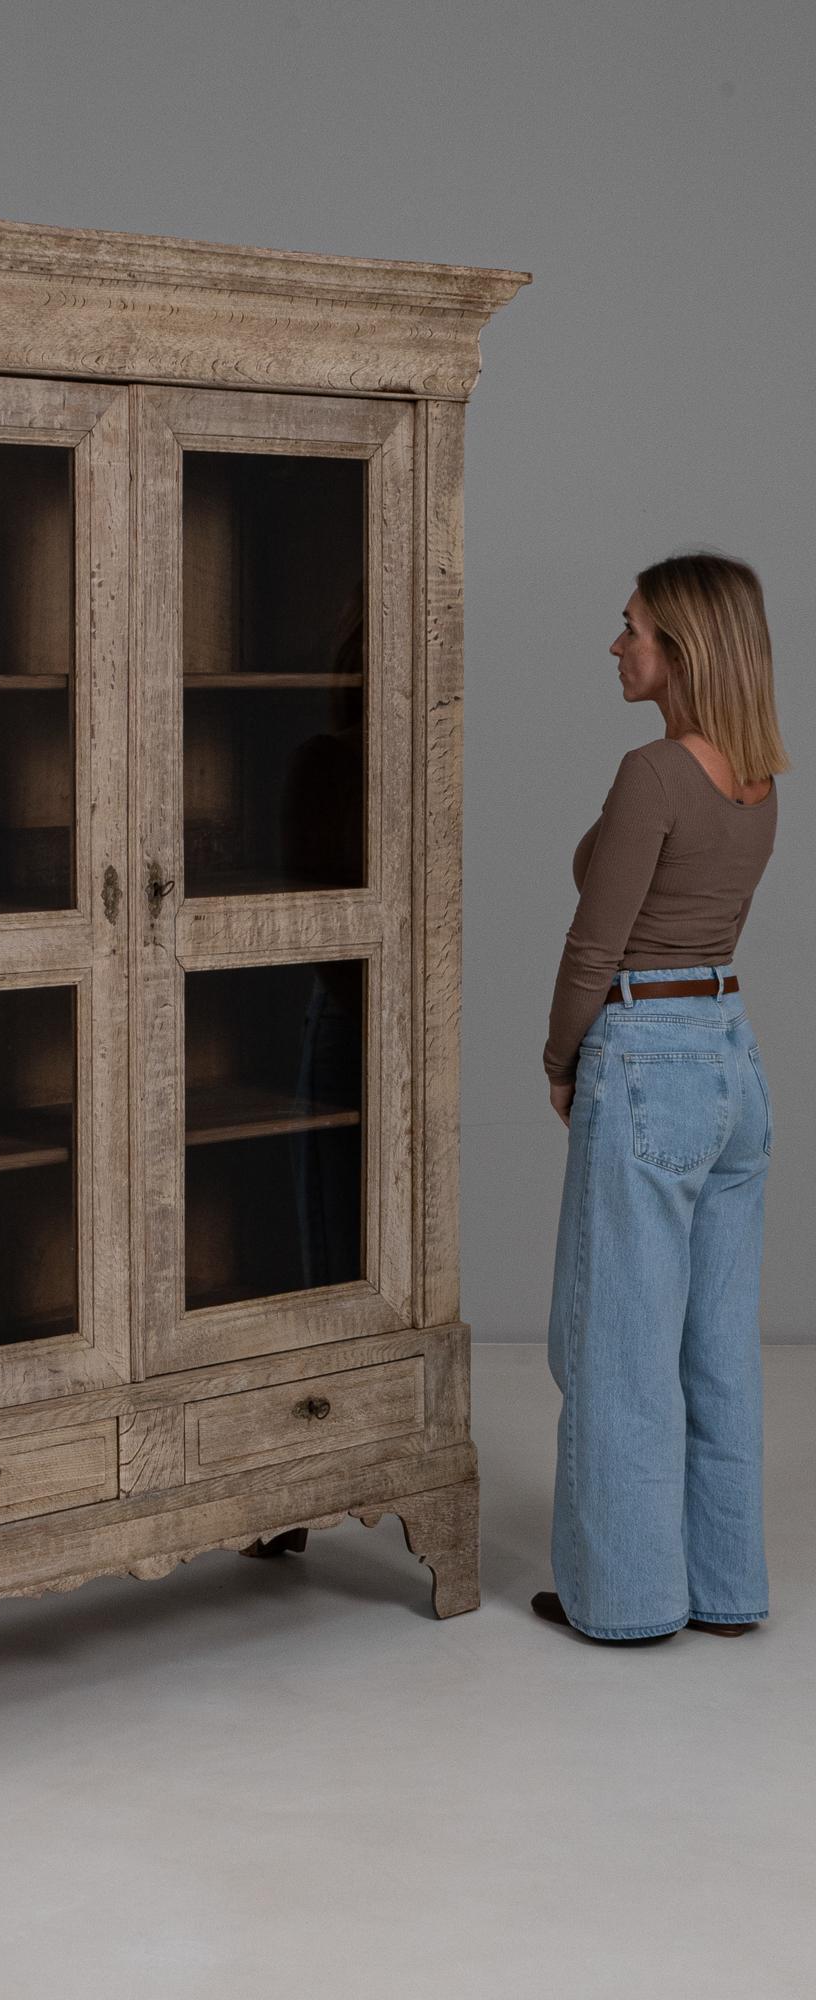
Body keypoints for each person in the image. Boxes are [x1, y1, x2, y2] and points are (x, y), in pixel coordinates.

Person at [534, 551, 788, 1645]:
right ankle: (727, 1586)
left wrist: (558, 1056)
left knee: (617, 1349)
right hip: (730, 1058)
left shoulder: (653, 772)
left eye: (630, 627)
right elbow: (608, 867)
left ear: (678, 650)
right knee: (717, 1348)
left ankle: (625, 1600)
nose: (614, 643)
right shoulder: (756, 777)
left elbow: (593, 935)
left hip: (643, 1054)